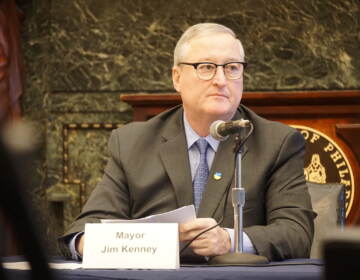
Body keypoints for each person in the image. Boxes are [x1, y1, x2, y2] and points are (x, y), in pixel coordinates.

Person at [60, 23, 316, 262]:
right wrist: (120, 244)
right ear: (177, 78)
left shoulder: (277, 142)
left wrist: (230, 240)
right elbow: (82, 233)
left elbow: (296, 233)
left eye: (232, 67)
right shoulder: (131, 142)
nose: (221, 80)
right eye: (206, 67)